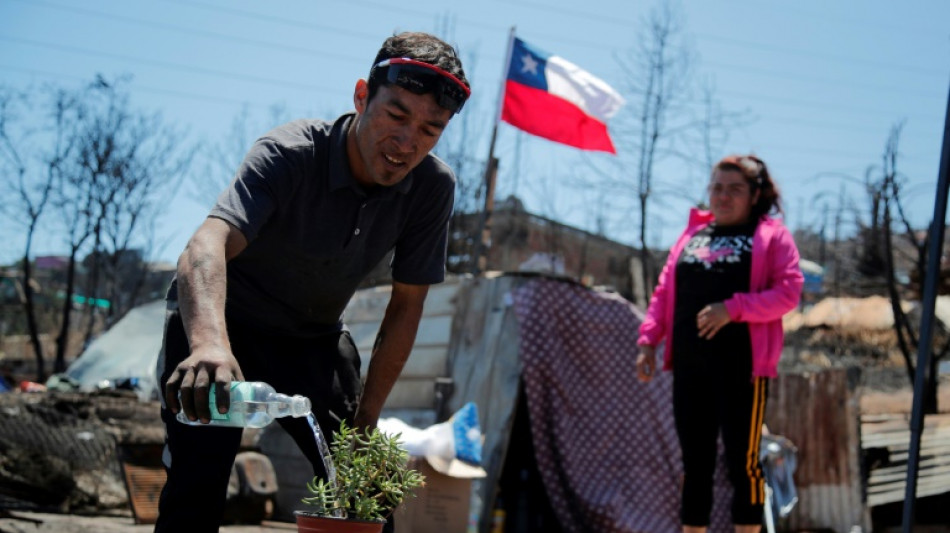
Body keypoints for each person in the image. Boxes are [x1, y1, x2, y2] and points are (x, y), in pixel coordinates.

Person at [153, 32, 470, 532]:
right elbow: (205, 246)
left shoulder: (432, 187)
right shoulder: (290, 153)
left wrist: (366, 419)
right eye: (397, 115)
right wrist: (209, 345)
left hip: (313, 341)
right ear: (362, 95)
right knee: (196, 490)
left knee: (365, 494)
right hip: (221, 330)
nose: (407, 143)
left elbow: (406, 305)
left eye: (431, 129)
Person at [635, 155, 803, 533]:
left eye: (735, 189)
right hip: (690, 368)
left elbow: (789, 292)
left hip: (742, 369)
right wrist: (648, 341)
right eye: (717, 188)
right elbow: (664, 292)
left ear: (754, 195)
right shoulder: (692, 236)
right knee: (695, 463)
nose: (723, 196)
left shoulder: (771, 236)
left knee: (742, 464)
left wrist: (734, 308)